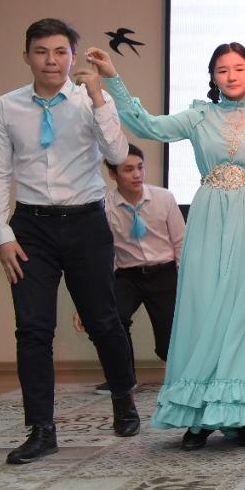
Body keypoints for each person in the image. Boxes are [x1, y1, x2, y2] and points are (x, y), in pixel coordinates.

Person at [90, 42, 245, 450]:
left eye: (239, 68)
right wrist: (113, 79)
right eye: (223, 70)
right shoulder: (200, 116)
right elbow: (147, 125)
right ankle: (199, 416)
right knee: (203, 313)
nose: (231, 76)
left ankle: (241, 416)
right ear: (213, 77)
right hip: (210, 221)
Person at [0, 18, 139, 464]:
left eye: (59, 52)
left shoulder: (92, 100)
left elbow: (117, 154)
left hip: (86, 223)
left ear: (72, 57)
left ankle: (123, 396)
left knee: (103, 320)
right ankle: (41, 429)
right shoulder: (6, 106)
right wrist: (0, 234)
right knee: (32, 328)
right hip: (31, 228)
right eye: (41, 52)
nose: (50, 61)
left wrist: (99, 97)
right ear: (26, 56)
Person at [79, 143, 185, 392]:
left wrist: (185, 282)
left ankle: (183, 379)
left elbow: (181, 243)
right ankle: (123, 378)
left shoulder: (164, 198)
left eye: (140, 167)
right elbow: (100, 255)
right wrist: (86, 301)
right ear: (113, 174)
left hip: (165, 272)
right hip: (128, 275)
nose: (137, 175)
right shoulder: (104, 206)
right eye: (128, 170)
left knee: (167, 343)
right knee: (109, 319)